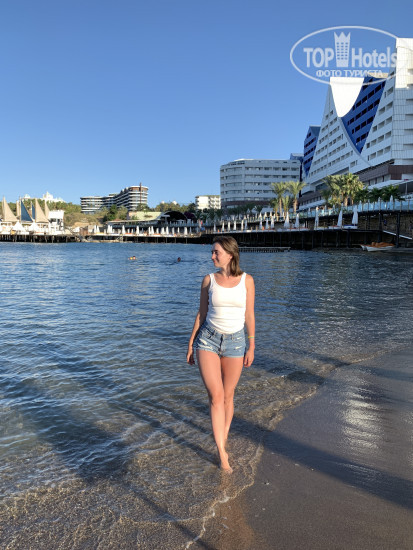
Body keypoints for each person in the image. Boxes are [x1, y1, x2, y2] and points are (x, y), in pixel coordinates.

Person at [186, 236, 255, 472]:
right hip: (208, 340)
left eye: (216, 252)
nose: (212, 256)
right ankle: (221, 453)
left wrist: (251, 346)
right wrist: (191, 343)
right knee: (216, 396)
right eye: (212, 252)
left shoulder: (247, 281)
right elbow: (201, 313)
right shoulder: (209, 280)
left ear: (230, 254)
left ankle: (223, 437)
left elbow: (249, 315)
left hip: (236, 342)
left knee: (227, 395)